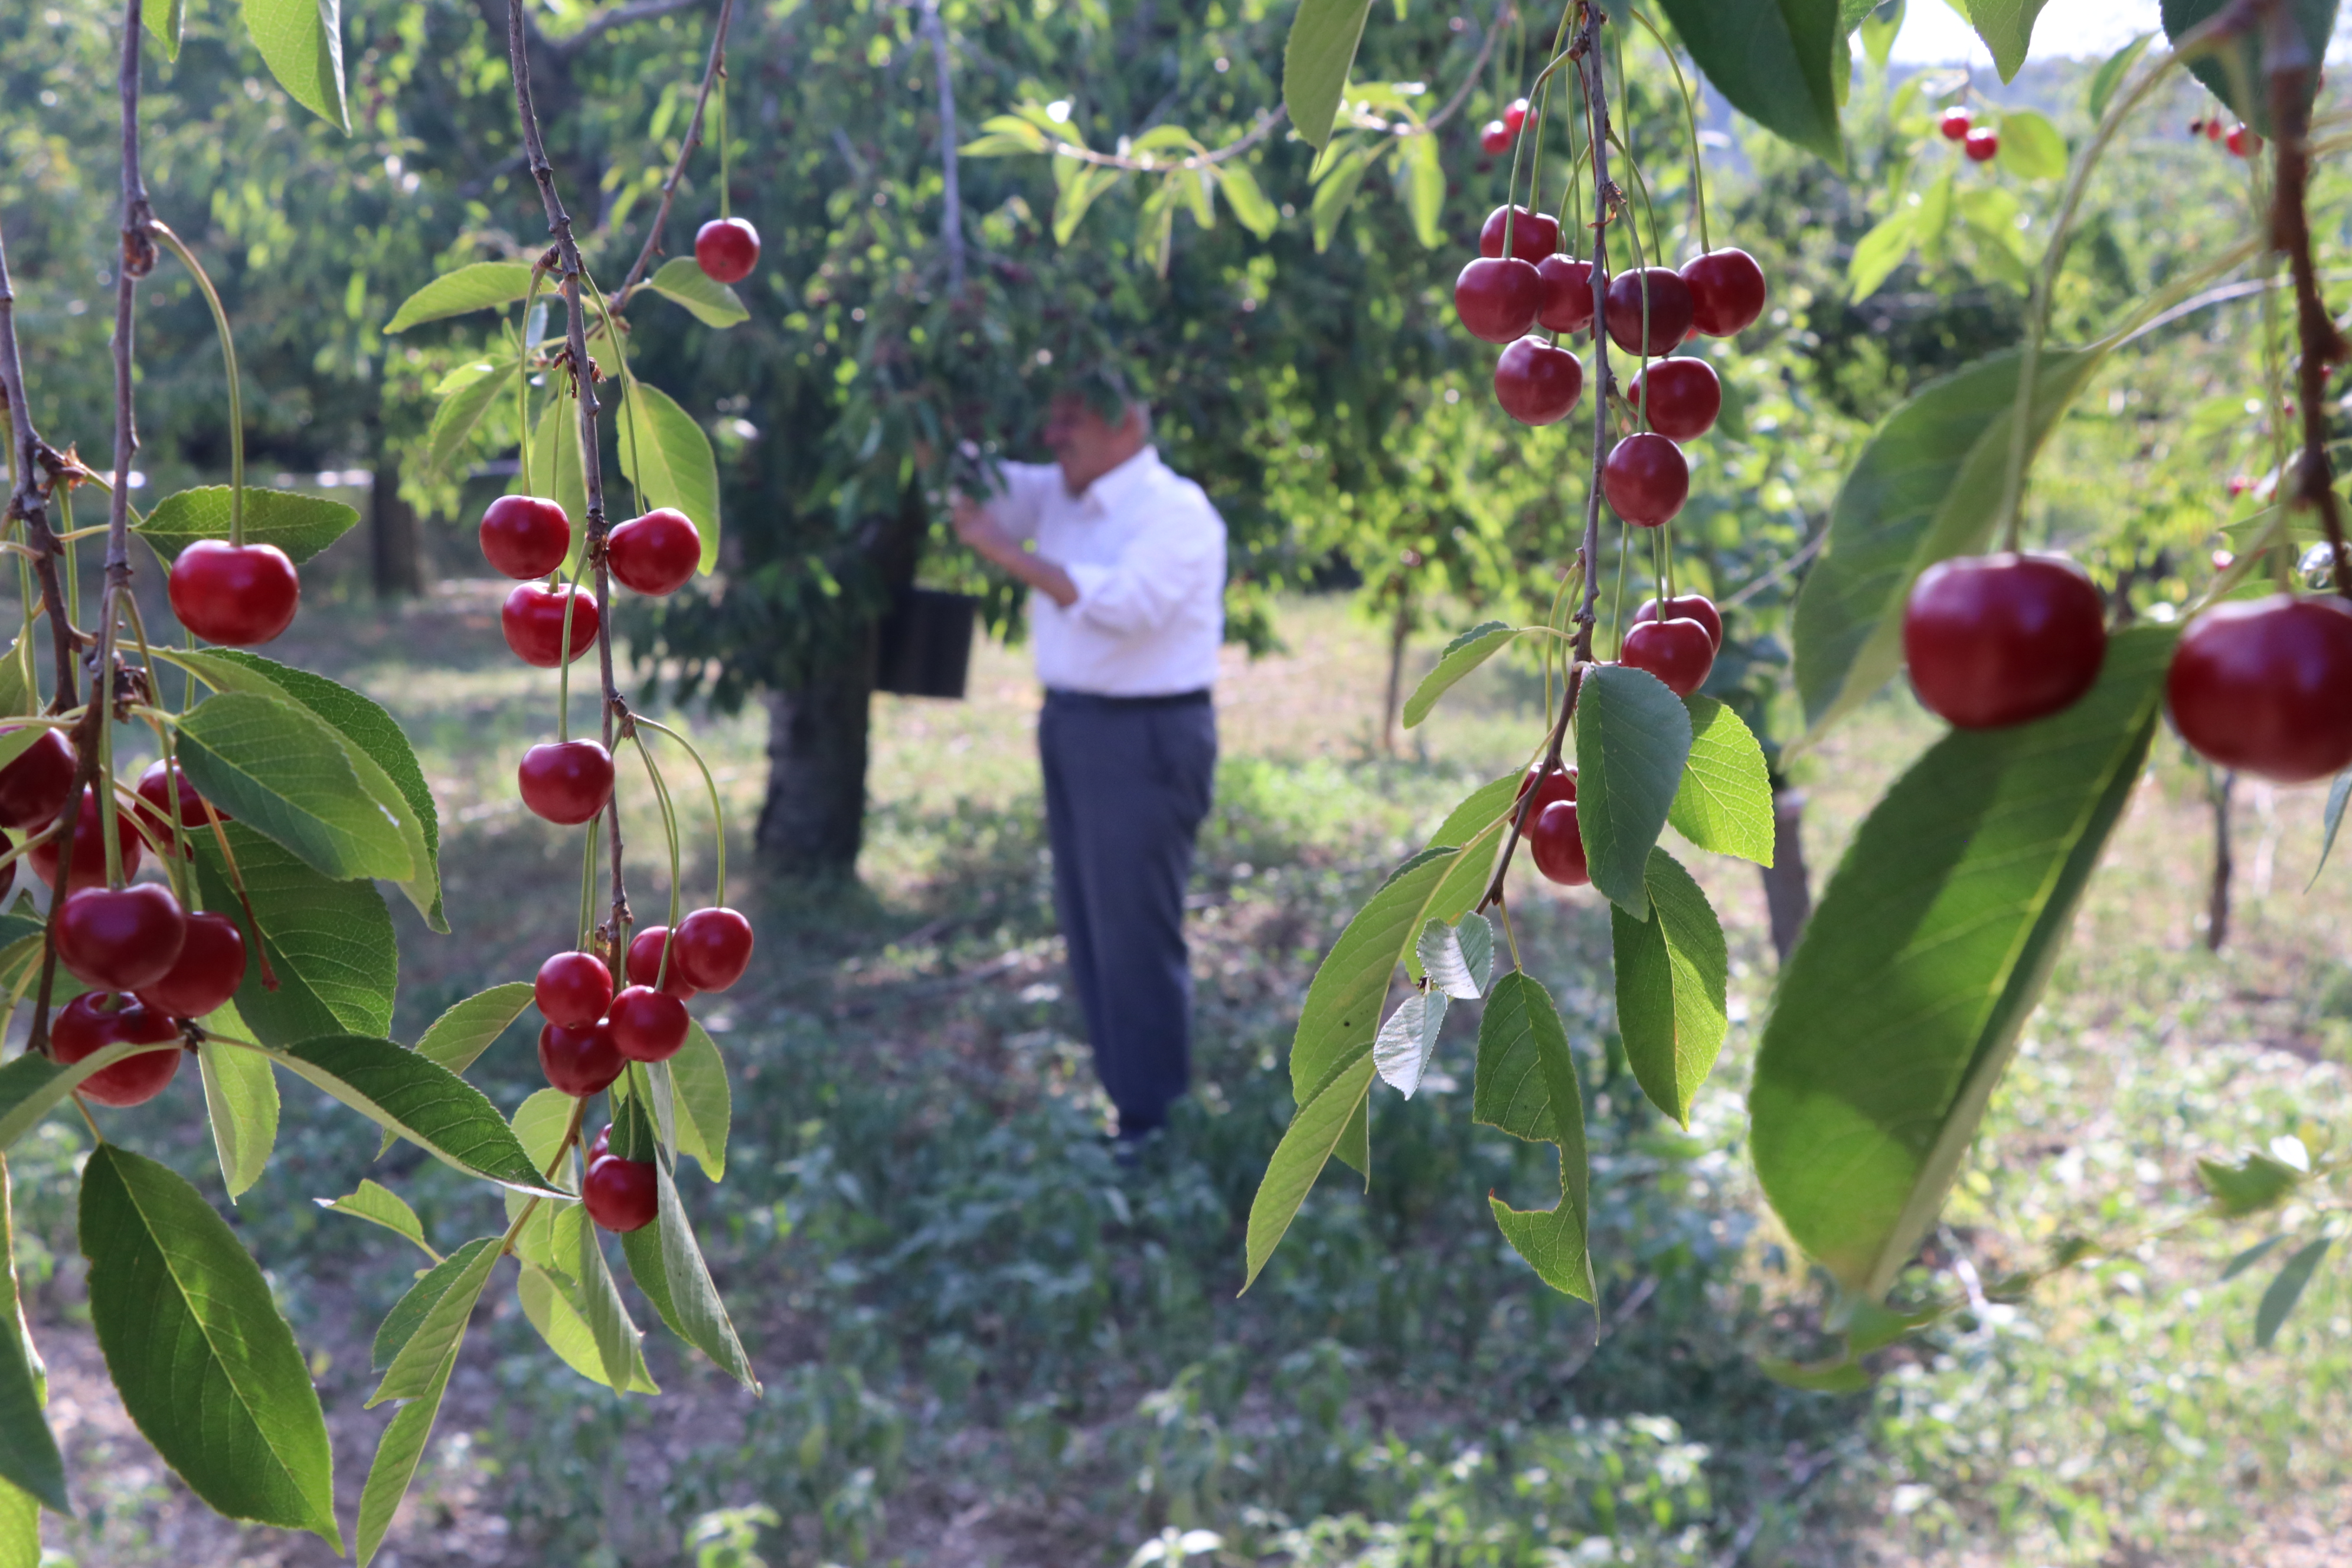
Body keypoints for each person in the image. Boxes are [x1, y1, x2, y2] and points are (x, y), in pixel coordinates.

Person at [952, 386, 1226, 1154]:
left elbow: (1126, 608)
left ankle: (1155, 1121)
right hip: (1076, 725)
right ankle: (1132, 1106)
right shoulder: (1060, 491)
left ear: (1130, 422)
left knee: (1134, 928)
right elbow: (969, 477)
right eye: (1055, 413)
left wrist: (1008, 555)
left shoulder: (1175, 512)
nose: (1054, 429)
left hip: (1145, 734)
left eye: (1076, 415)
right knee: (1090, 921)